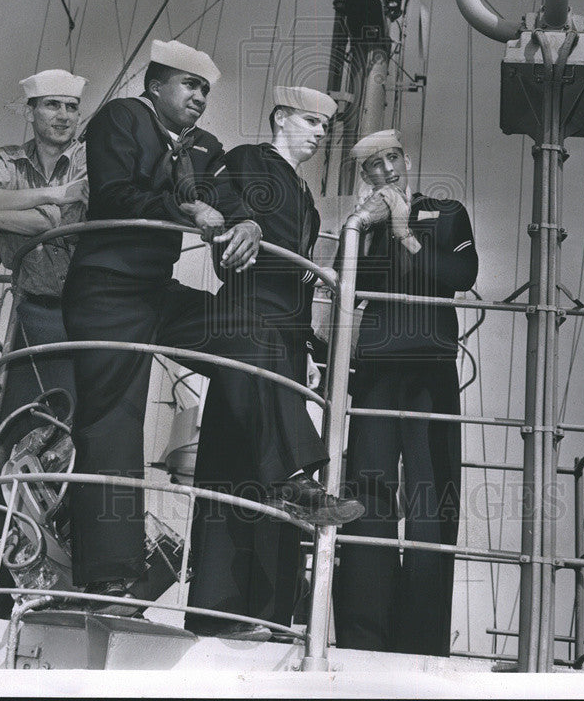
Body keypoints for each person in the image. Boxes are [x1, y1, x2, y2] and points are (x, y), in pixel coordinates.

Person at [62, 46, 359, 620]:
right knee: (112, 423)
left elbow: (226, 197)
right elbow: (117, 194)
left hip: (155, 291)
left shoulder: (204, 147)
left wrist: (244, 218)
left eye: (205, 90)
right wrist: (188, 210)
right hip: (105, 288)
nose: (199, 99)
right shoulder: (121, 119)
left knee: (249, 333)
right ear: (155, 85)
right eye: (189, 86)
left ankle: (290, 480)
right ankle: (111, 580)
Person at [186, 85, 364, 641]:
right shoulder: (247, 160)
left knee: (254, 452)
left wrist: (312, 339)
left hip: (285, 334)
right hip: (246, 318)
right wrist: (253, 228)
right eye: (310, 121)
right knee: (236, 456)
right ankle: (218, 607)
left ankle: (268, 611)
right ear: (281, 117)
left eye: (324, 126)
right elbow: (216, 195)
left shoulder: (306, 197)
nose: (318, 133)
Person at [0, 68, 89, 618]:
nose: (61, 116)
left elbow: (62, 219)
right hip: (36, 312)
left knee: (70, 441)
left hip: (83, 315)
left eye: (70, 107)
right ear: (31, 111)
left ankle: (61, 575)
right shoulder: (8, 158)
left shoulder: (90, 160)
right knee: (14, 439)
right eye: (51, 106)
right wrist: (38, 200)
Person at [333, 129, 478, 657]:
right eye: (373, 165)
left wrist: (404, 232)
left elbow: (461, 274)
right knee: (366, 495)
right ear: (364, 176)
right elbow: (337, 284)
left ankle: (421, 639)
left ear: (407, 159)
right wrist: (360, 229)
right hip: (374, 366)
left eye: (391, 158)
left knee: (430, 497)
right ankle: (361, 634)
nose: (385, 171)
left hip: (427, 367)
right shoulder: (361, 226)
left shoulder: (446, 211)